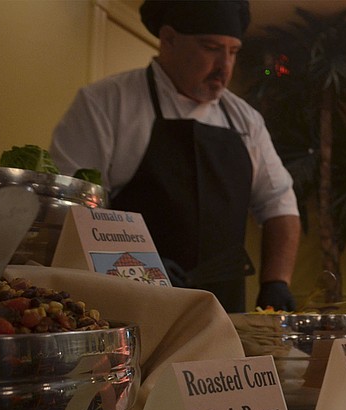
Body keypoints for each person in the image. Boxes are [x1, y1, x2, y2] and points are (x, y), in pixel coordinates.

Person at [50, 0, 300, 313]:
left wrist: (276, 282)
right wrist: (141, 263)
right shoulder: (105, 103)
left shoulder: (246, 121)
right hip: (130, 308)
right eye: (211, 48)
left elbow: (279, 203)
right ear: (168, 39)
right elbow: (72, 209)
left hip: (223, 315)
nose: (225, 66)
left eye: (233, 51)